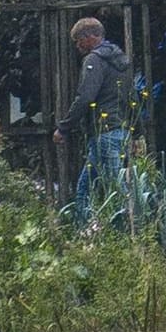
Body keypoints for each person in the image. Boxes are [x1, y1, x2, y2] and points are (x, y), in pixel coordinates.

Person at [52, 17, 133, 217]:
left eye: (78, 40)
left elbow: (85, 97)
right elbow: (132, 97)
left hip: (104, 132)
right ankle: (91, 236)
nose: (77, 45)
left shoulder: (94, 60)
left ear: (90, 37)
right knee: (89, 188)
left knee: (113, 189)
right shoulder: (121, 60)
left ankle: (131, 232)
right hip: (121, 131)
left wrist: (64, 127)